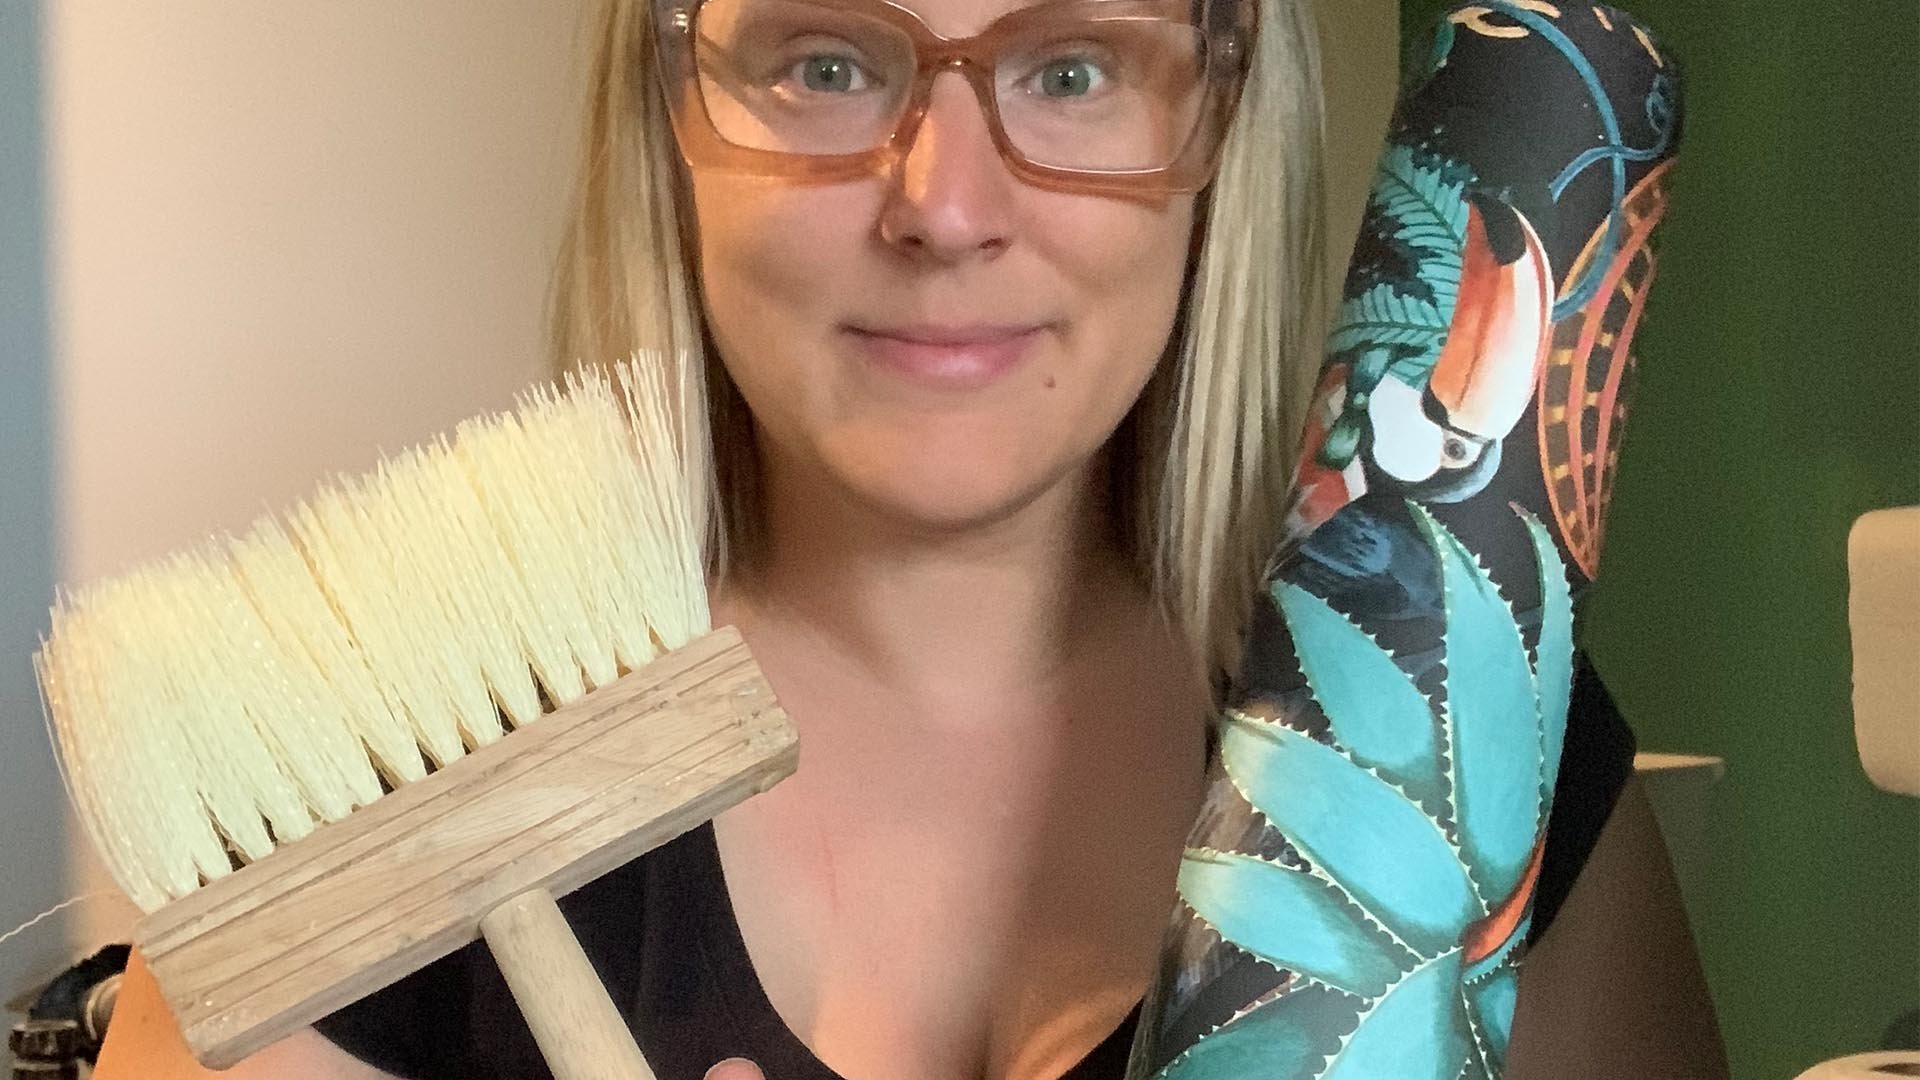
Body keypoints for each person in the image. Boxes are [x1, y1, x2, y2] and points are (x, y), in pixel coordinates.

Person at [92, 0, 1726, 1077]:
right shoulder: (377, 784)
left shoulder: (1473, 756)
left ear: (1222, 115)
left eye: (1072, 68)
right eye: (825, 58)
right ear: (672, 106)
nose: (943, 204)